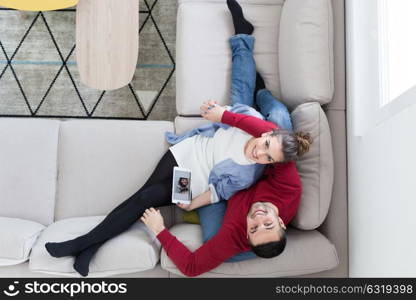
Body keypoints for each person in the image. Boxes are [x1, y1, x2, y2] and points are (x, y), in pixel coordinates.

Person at [139, 0, 312, 276]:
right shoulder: (288, 189)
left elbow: (192, 267)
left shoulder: (236, 234)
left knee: (213, 238)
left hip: (230, 183)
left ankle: (248, 60)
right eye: (267, 224)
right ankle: (262, 90)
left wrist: (161, 231)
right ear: (281, 222)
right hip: (263, 162)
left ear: (247, 233)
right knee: (275, 120)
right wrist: (223, 117)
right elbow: (268, 141)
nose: (258, 220)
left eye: (254, 228)